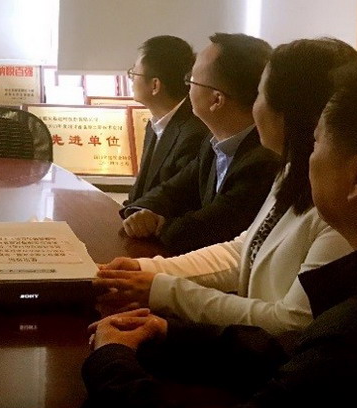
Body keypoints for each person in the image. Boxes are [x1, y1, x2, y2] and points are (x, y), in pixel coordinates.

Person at [82, 54, 357, 408]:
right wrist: (170, 332)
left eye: (318, 143)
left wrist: (111, 361)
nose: (309, 156)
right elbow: (281, 346)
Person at [95, 38, 357, 336]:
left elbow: (292, 323)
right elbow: (243, 250)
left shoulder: (341, 205)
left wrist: (162, 289)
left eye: (259, 94)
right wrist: (148, 271)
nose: (253, 107)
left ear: (289, 111)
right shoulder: (292, 172)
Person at [120, 32, 280, 254]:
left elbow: (208, 229)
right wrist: (141, 211)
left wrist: (158, 225)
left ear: (216, 100)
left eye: (192, 81)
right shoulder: (214, 143)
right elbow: (172, 191)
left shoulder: (262, 160)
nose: (186, 89)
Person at [126, 36, 209, 204]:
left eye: (134, 73)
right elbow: (140, 193)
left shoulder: (194, 133)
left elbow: (177, 201)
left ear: (155, 85)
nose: (131, 79)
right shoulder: (155, 124)